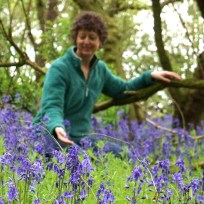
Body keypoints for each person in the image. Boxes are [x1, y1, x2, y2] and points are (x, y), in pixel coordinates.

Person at [33, 11, 181, 155]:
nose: (86, 42)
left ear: (100, 42)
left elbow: (123, 89)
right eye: (82, 36)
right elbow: (52, 105)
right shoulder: (60, 68)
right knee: (78, 166)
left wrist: (150, 76)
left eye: (92, 37)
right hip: (51, 135)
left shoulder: (100, 70)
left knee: (125, 156)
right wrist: (57, 126)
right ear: (75, 39)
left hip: (80, 138)